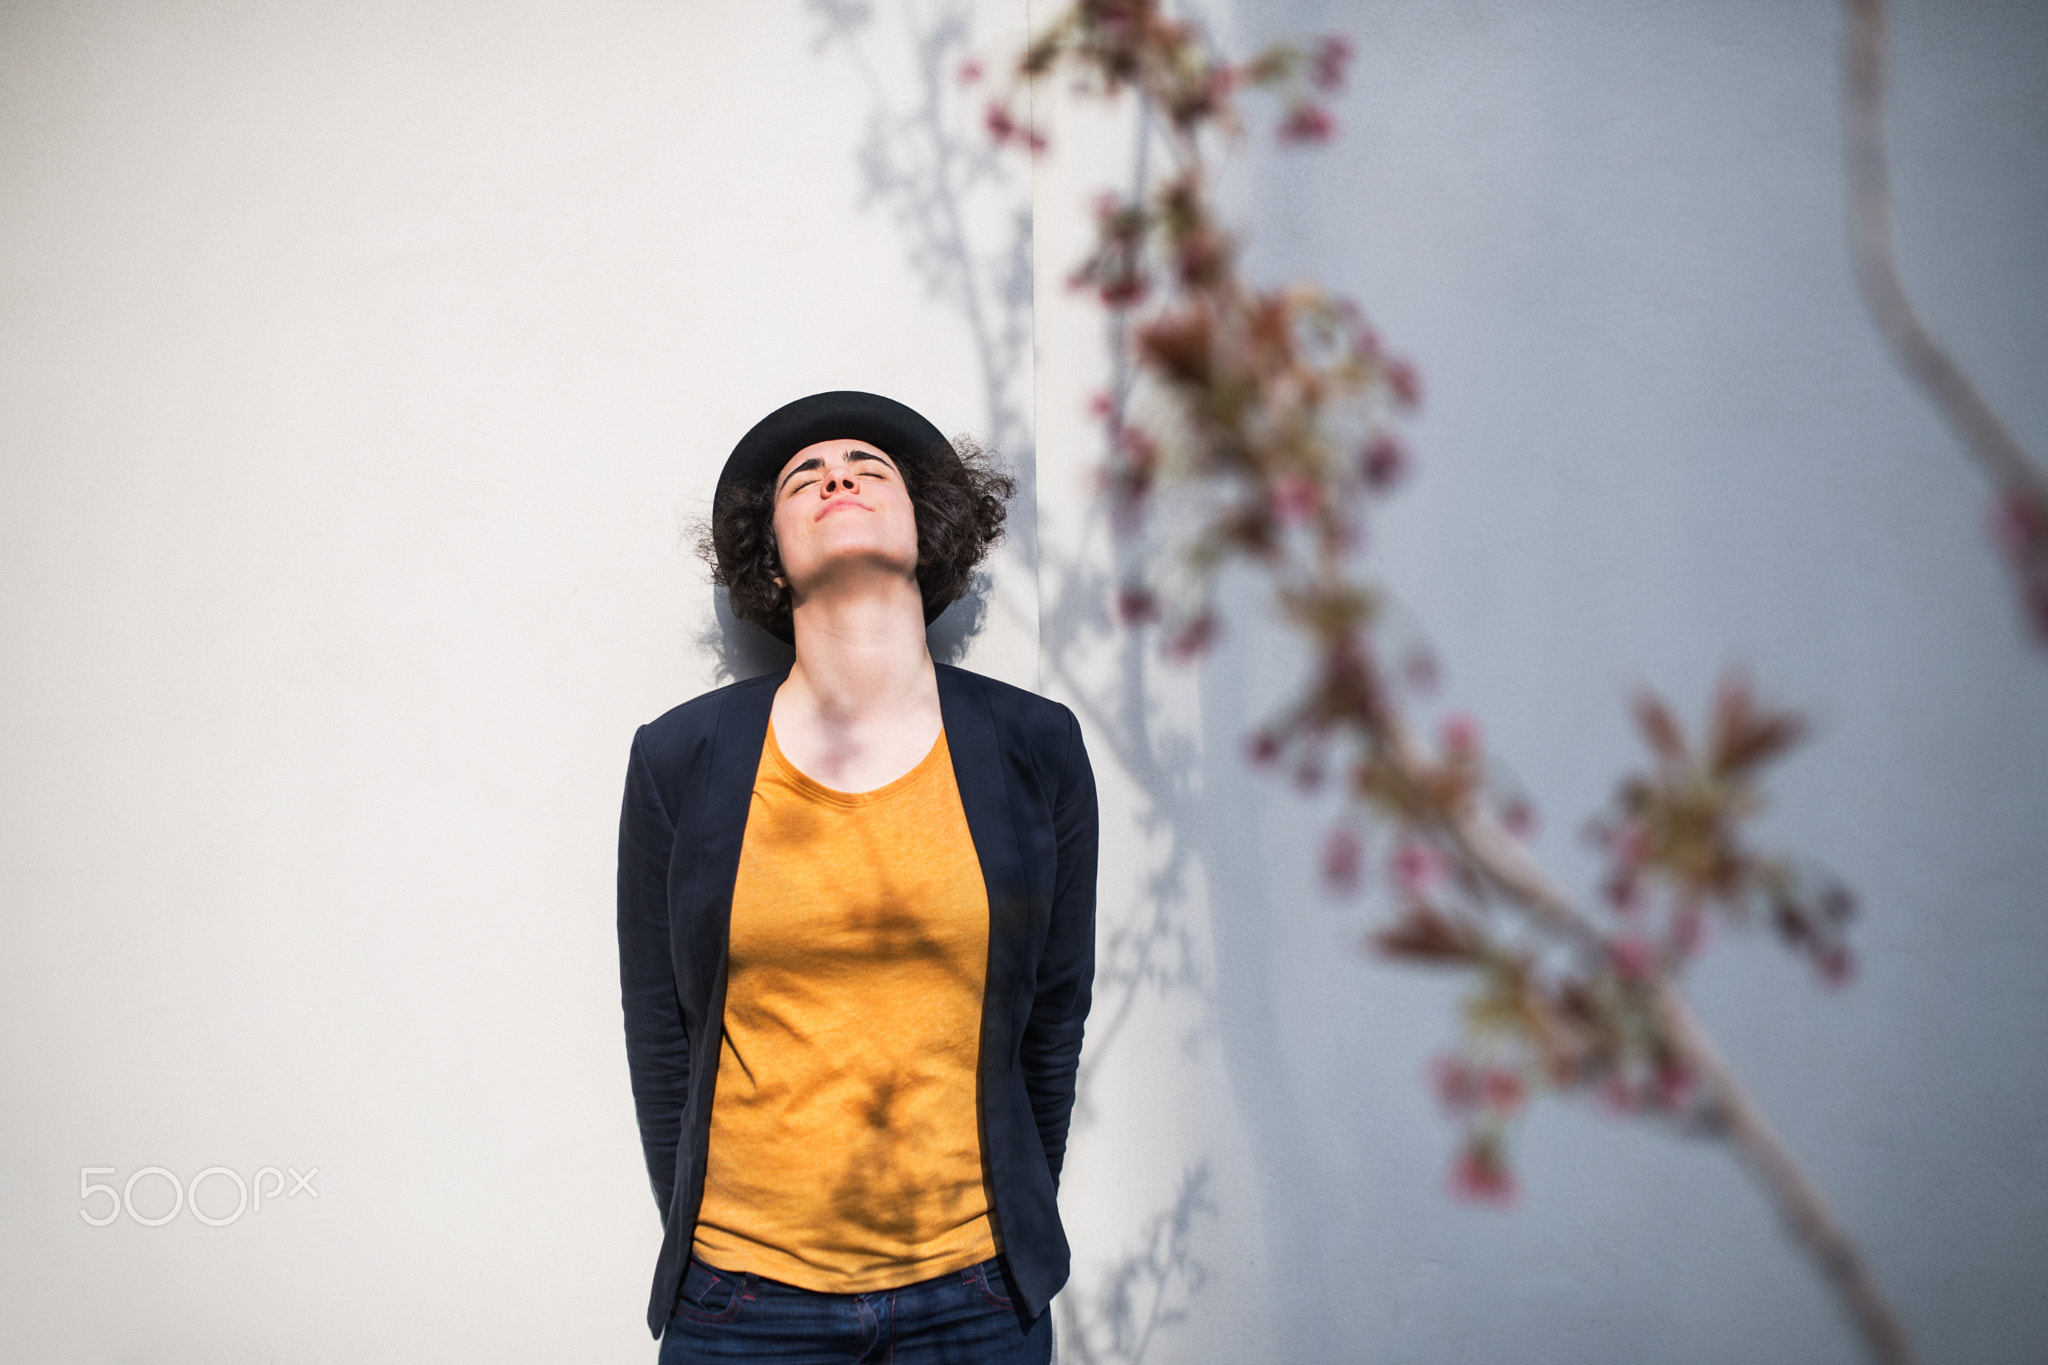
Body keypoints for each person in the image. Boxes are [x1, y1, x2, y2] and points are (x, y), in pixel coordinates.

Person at [617, 391, 1097, 1363]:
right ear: (769, 552)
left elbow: (1054, 1009)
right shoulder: (681, 757)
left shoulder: (1032, 745)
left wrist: (1009, 1224)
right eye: (805, 476)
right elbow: (662, 1025)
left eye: (867, 467)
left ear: (928, 530)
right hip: (743, 1305)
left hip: (976, 1299)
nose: (836, 474)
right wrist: (708, 1233)